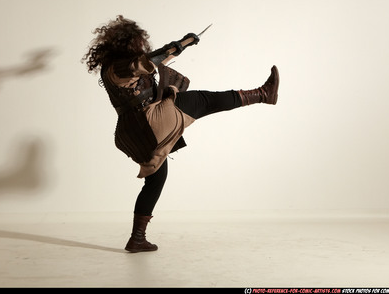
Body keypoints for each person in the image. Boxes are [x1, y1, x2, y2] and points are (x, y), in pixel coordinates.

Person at [81, 15, 279, 253]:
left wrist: (180, 47)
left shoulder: (115, 67)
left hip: (135, 133)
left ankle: (137, 239)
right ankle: (262, 94)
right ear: (130, 43)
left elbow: (152, 60)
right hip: (148, 123)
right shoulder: (119, 68)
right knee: (202, 100)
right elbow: (149, 61)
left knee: (156, 180)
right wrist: (182, 43)